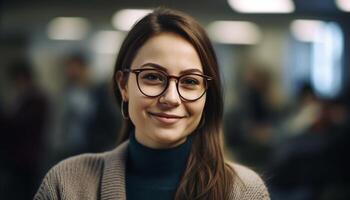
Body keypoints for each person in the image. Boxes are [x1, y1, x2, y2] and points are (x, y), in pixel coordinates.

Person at [34, 8, 269, 200]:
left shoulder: (243, 191)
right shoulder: (66, 184)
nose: (171, 98)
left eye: (189, 81)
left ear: (207, 95)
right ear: (124, 85)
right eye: (153, 77)